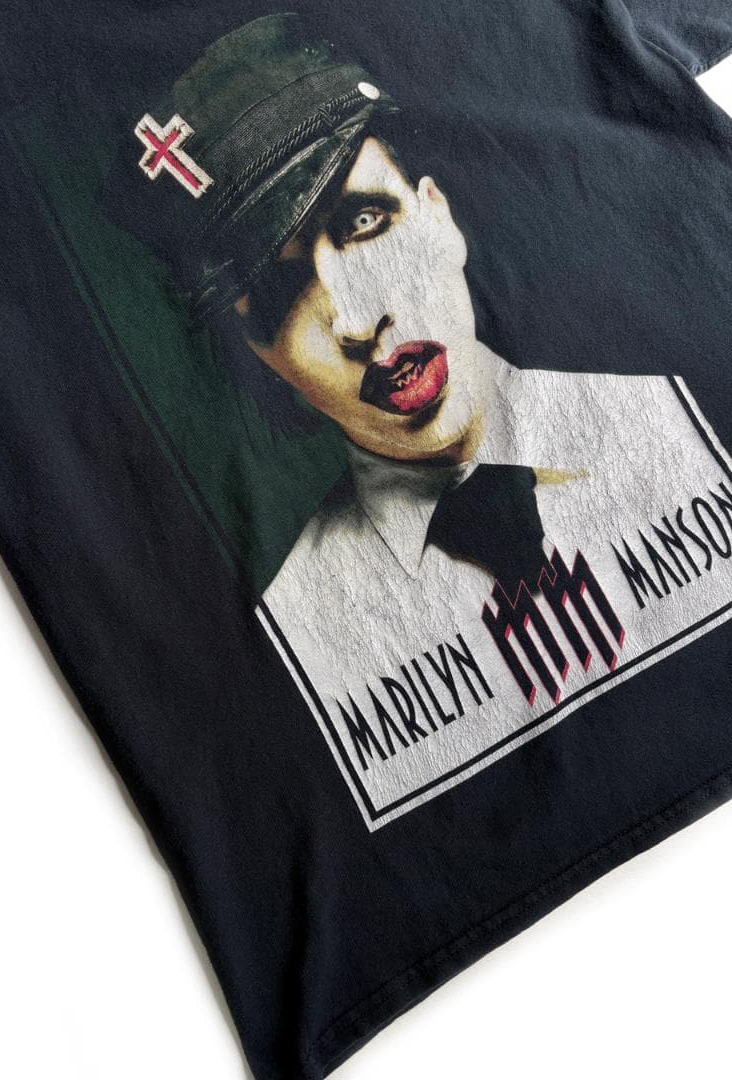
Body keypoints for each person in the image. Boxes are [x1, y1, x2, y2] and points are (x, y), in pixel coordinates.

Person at [105, 12, 732, 828]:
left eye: (364, 221)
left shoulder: (671, 411)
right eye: (285, 289)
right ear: (260, 354)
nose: (357, 317)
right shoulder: (299, 638)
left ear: (436, 213)